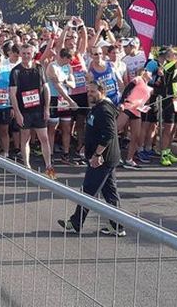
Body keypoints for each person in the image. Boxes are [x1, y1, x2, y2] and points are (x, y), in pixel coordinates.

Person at [58, 81, 125, 236]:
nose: (89, 94)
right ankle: (118, 226)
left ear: (102, 91)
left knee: (88, 191)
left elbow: (108, 134)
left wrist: (97, 154)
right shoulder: (98, 108)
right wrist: (85, 147)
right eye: (88, 92)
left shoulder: (104, 110)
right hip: (105, 158)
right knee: (110, 193)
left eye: (93, 92)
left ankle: (75, 223)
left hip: (103, 159)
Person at [9, 44, 56, 178]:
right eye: (23, 53)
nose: (25, 56)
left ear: (33, 54)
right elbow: (12, 93)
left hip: (39, 110)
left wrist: (46, 108)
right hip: (24, 111)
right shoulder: (15, 71)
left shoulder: (39, 68)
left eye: (28, 53)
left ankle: (48, 167)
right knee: (25, 138)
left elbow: (46, 89)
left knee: (44, 138)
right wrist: (17, 113)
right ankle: (27, 167)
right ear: (20, 54)